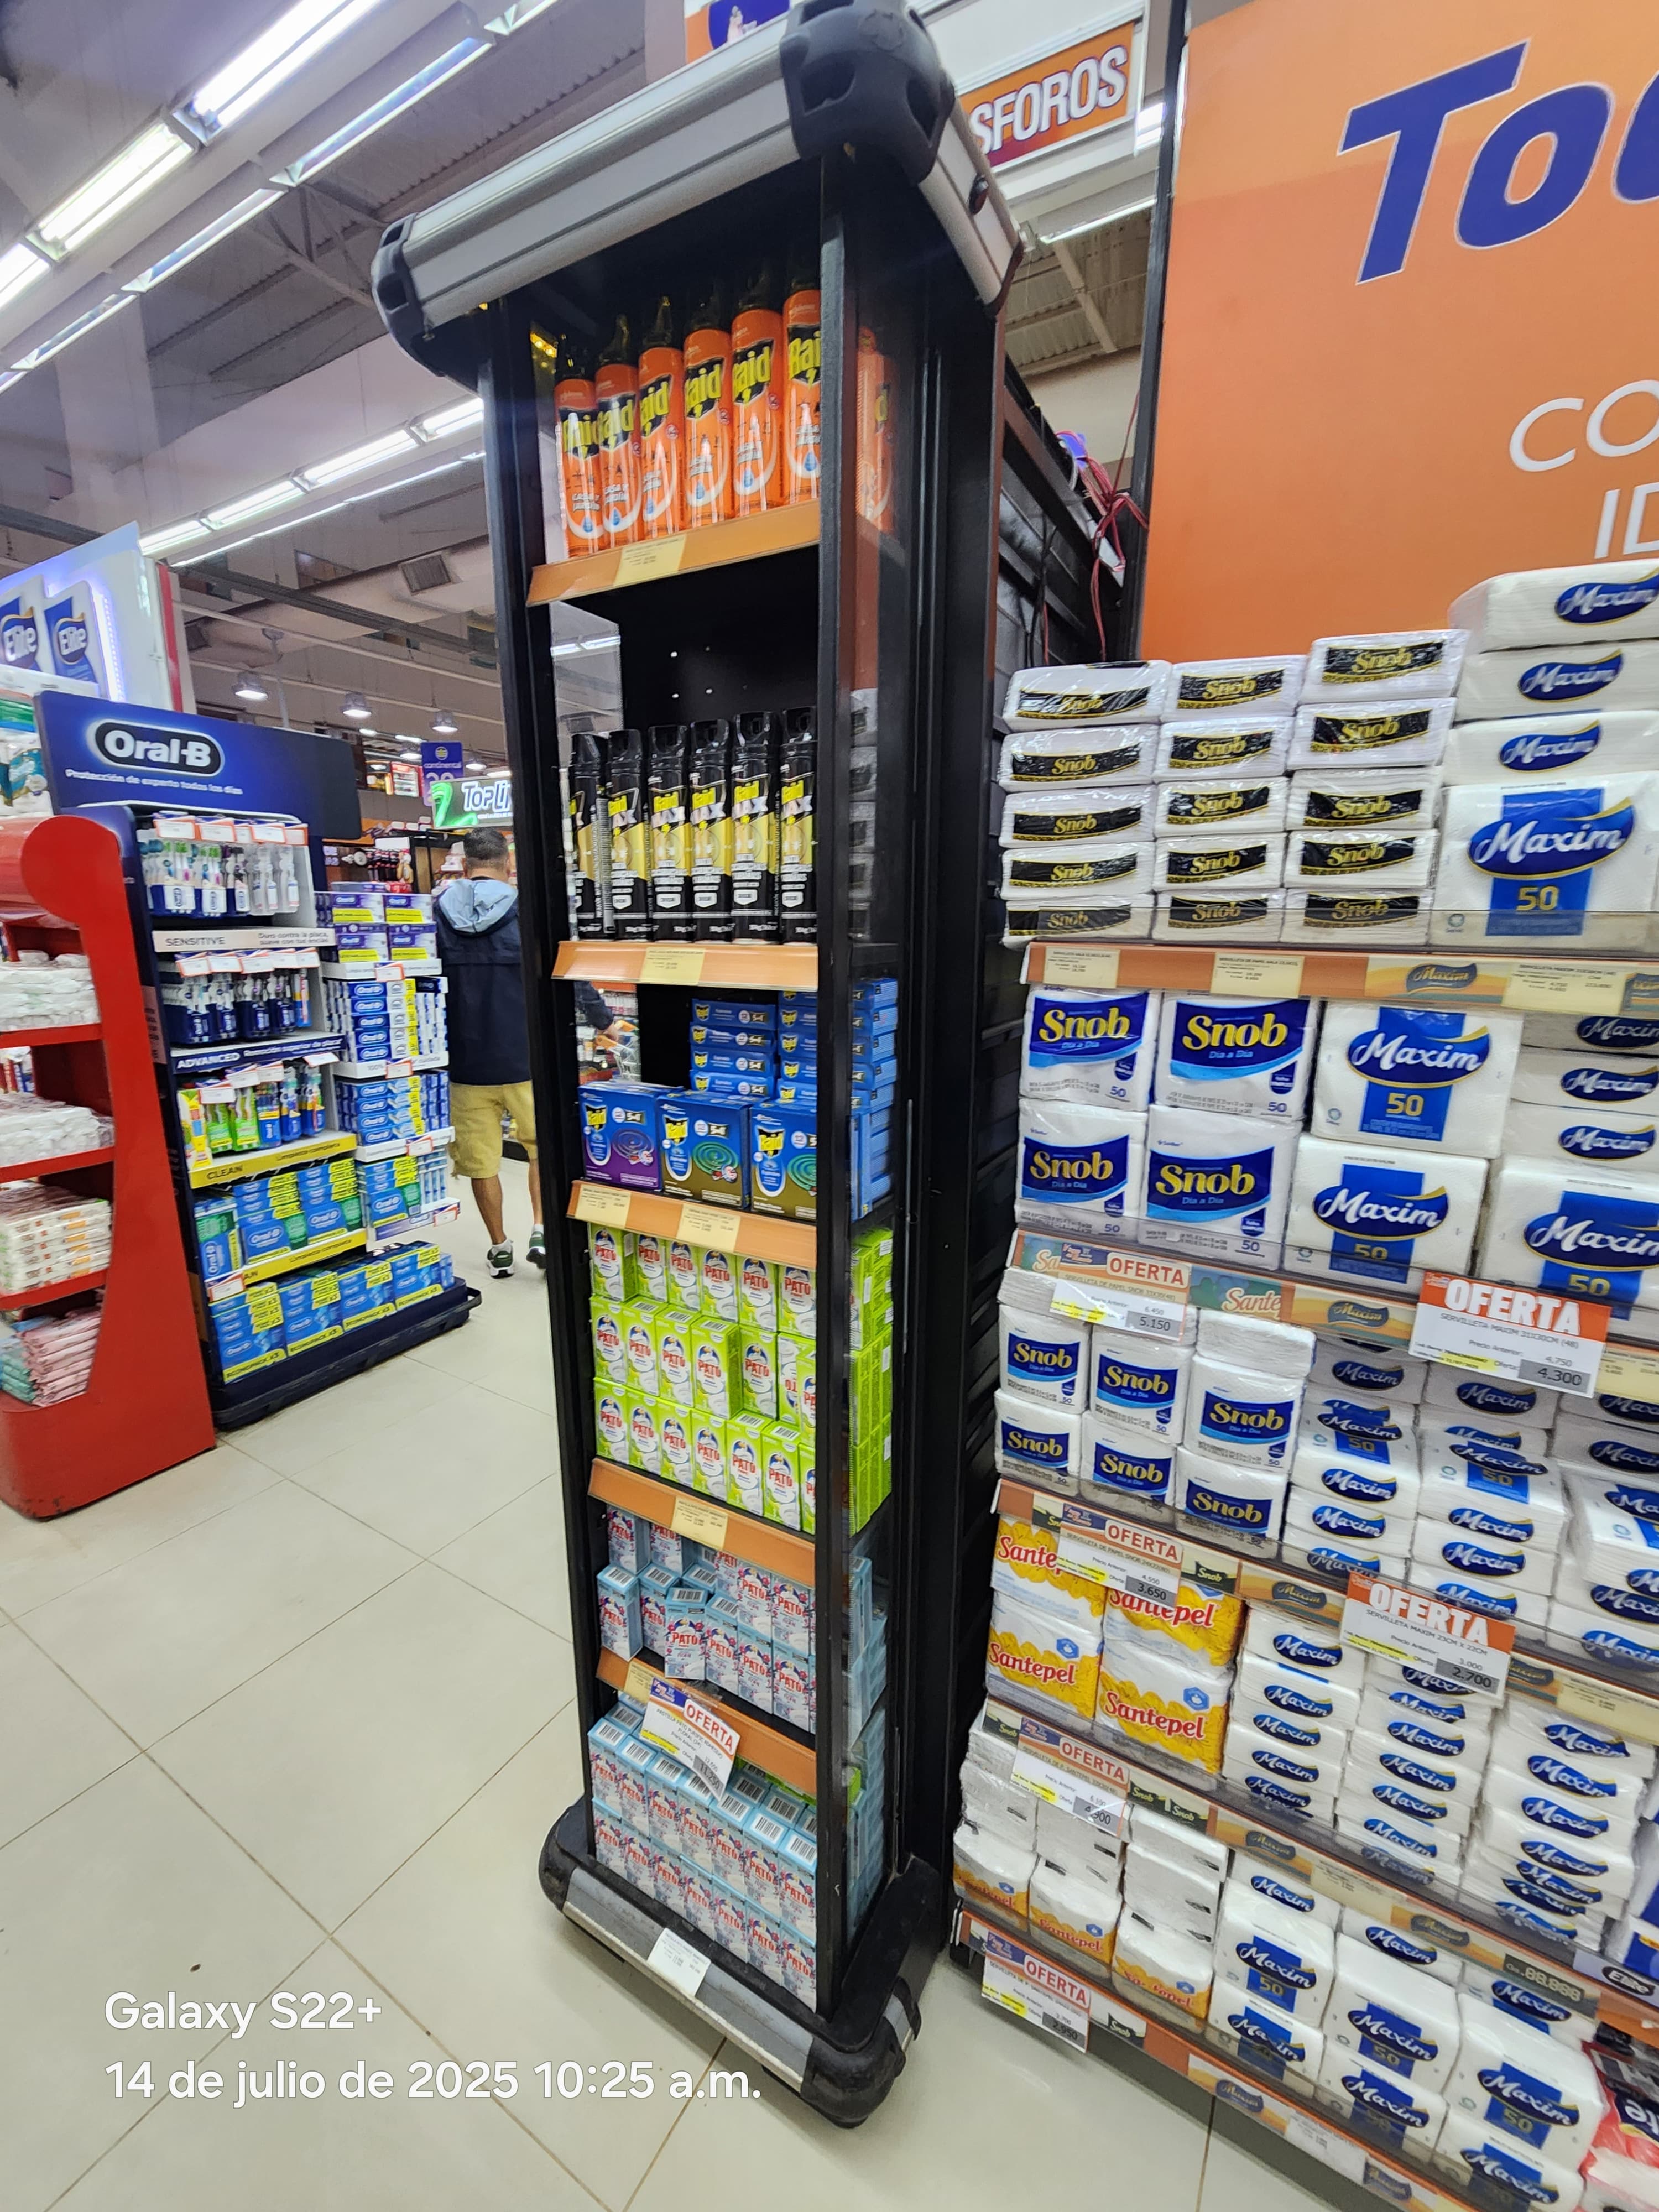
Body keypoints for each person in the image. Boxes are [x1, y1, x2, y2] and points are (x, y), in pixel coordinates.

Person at [435, 827, 543, 1277]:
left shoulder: (436, 913)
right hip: (525, 1056)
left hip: (464, 1062)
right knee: (540, 1149)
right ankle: (541, 1229)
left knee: (481, 1161)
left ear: (465, 865)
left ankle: (499, 1247)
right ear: (508, 863)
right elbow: (558, 970)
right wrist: (602, 1020)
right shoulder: (528, 910)